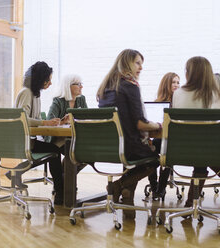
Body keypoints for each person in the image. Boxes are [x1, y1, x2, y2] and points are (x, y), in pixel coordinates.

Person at [97, 49, 161, 219]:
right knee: (155, 159)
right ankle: (118, 185)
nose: (141, 67)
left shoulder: (106, 87)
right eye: (137, 63)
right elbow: (140, 123)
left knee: (135, 163)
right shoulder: (130, 86)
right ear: (127, 63)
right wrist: (158, 125)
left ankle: (128, 205)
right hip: (129, 145)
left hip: (109, 146)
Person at [172, 56, 220, 209]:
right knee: (203, 153)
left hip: (180, 150)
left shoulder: (178, 93)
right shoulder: (215, 94)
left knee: (200, 159)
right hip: (209, 150)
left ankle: (190, 205)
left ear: (188, 73)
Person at [6, 61, 64, 205]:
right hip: (21, 141)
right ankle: (61, 192)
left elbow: (36, 119)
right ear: (40, 79)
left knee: (54, 149)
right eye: (48, 80)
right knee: (55, 150)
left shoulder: (35, 94)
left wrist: (57, 122)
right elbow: (23, 118)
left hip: (27, 140)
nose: (50, 83)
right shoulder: (26, 92)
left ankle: (16, 172)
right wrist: (45, 123)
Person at [45, 74, 88, 192]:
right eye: (78, 84)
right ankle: (63, 183)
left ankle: (65, 179)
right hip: (58, 140)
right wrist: (62, 121)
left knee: (86, 155)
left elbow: (87, 118)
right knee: (74, 153)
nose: (81, 87)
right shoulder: (58, 101)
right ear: (68, 86)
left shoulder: (81, 99)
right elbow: (49, 120)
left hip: (76, 138)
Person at [148, 72, 180, 200]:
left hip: (173, 141)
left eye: (178, 82)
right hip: (159, 139)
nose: (177, 85)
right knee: (150, 152)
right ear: (166, 84)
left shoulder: (180, 103)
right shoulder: (158, 104)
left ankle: (160, 189)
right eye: (174, 82)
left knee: (168, 153)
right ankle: (154, 186)